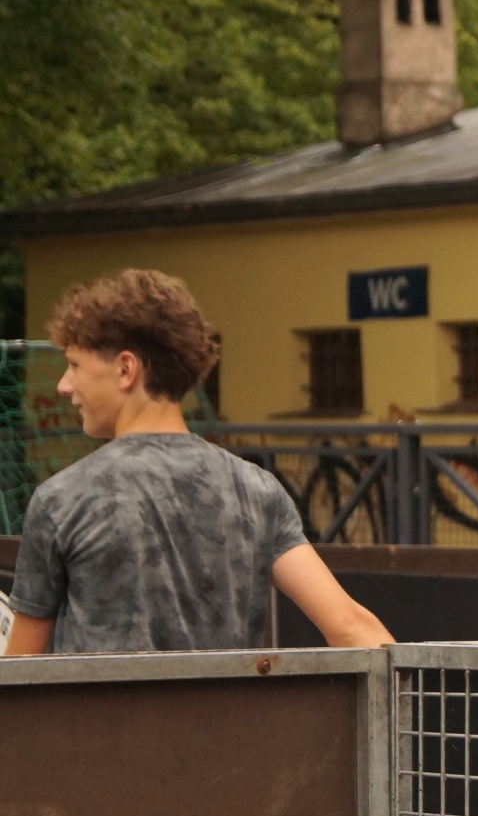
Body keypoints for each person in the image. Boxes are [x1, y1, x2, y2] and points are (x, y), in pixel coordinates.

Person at [4, 269, 393, 656]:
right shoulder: (257, 492)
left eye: (74, 365)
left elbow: (20, 674)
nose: (64, 385)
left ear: (126, 369)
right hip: (228, 702)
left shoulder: (61, 500)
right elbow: (351, 627)